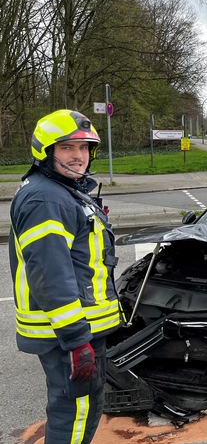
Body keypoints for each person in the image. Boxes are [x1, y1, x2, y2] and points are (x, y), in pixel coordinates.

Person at [9, 110, 121, 443]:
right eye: (67, 148)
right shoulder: (46, 198)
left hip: (78, 330)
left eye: (85, 148)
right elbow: (50, 273)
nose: (79, 156)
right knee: (73, 415)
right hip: (68, 335)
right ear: (46, 151)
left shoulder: (62, 190)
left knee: (85, 409)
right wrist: (75, 341)